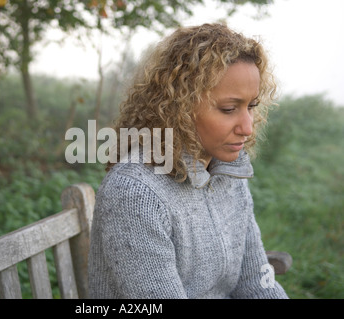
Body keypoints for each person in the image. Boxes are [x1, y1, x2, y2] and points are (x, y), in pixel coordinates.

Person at [88, 23, 288, 299]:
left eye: (251, 106)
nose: (248, 127)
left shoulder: (226, 169)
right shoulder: (136, 194)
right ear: (179, 107)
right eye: (229, 109)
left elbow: (255, 281)